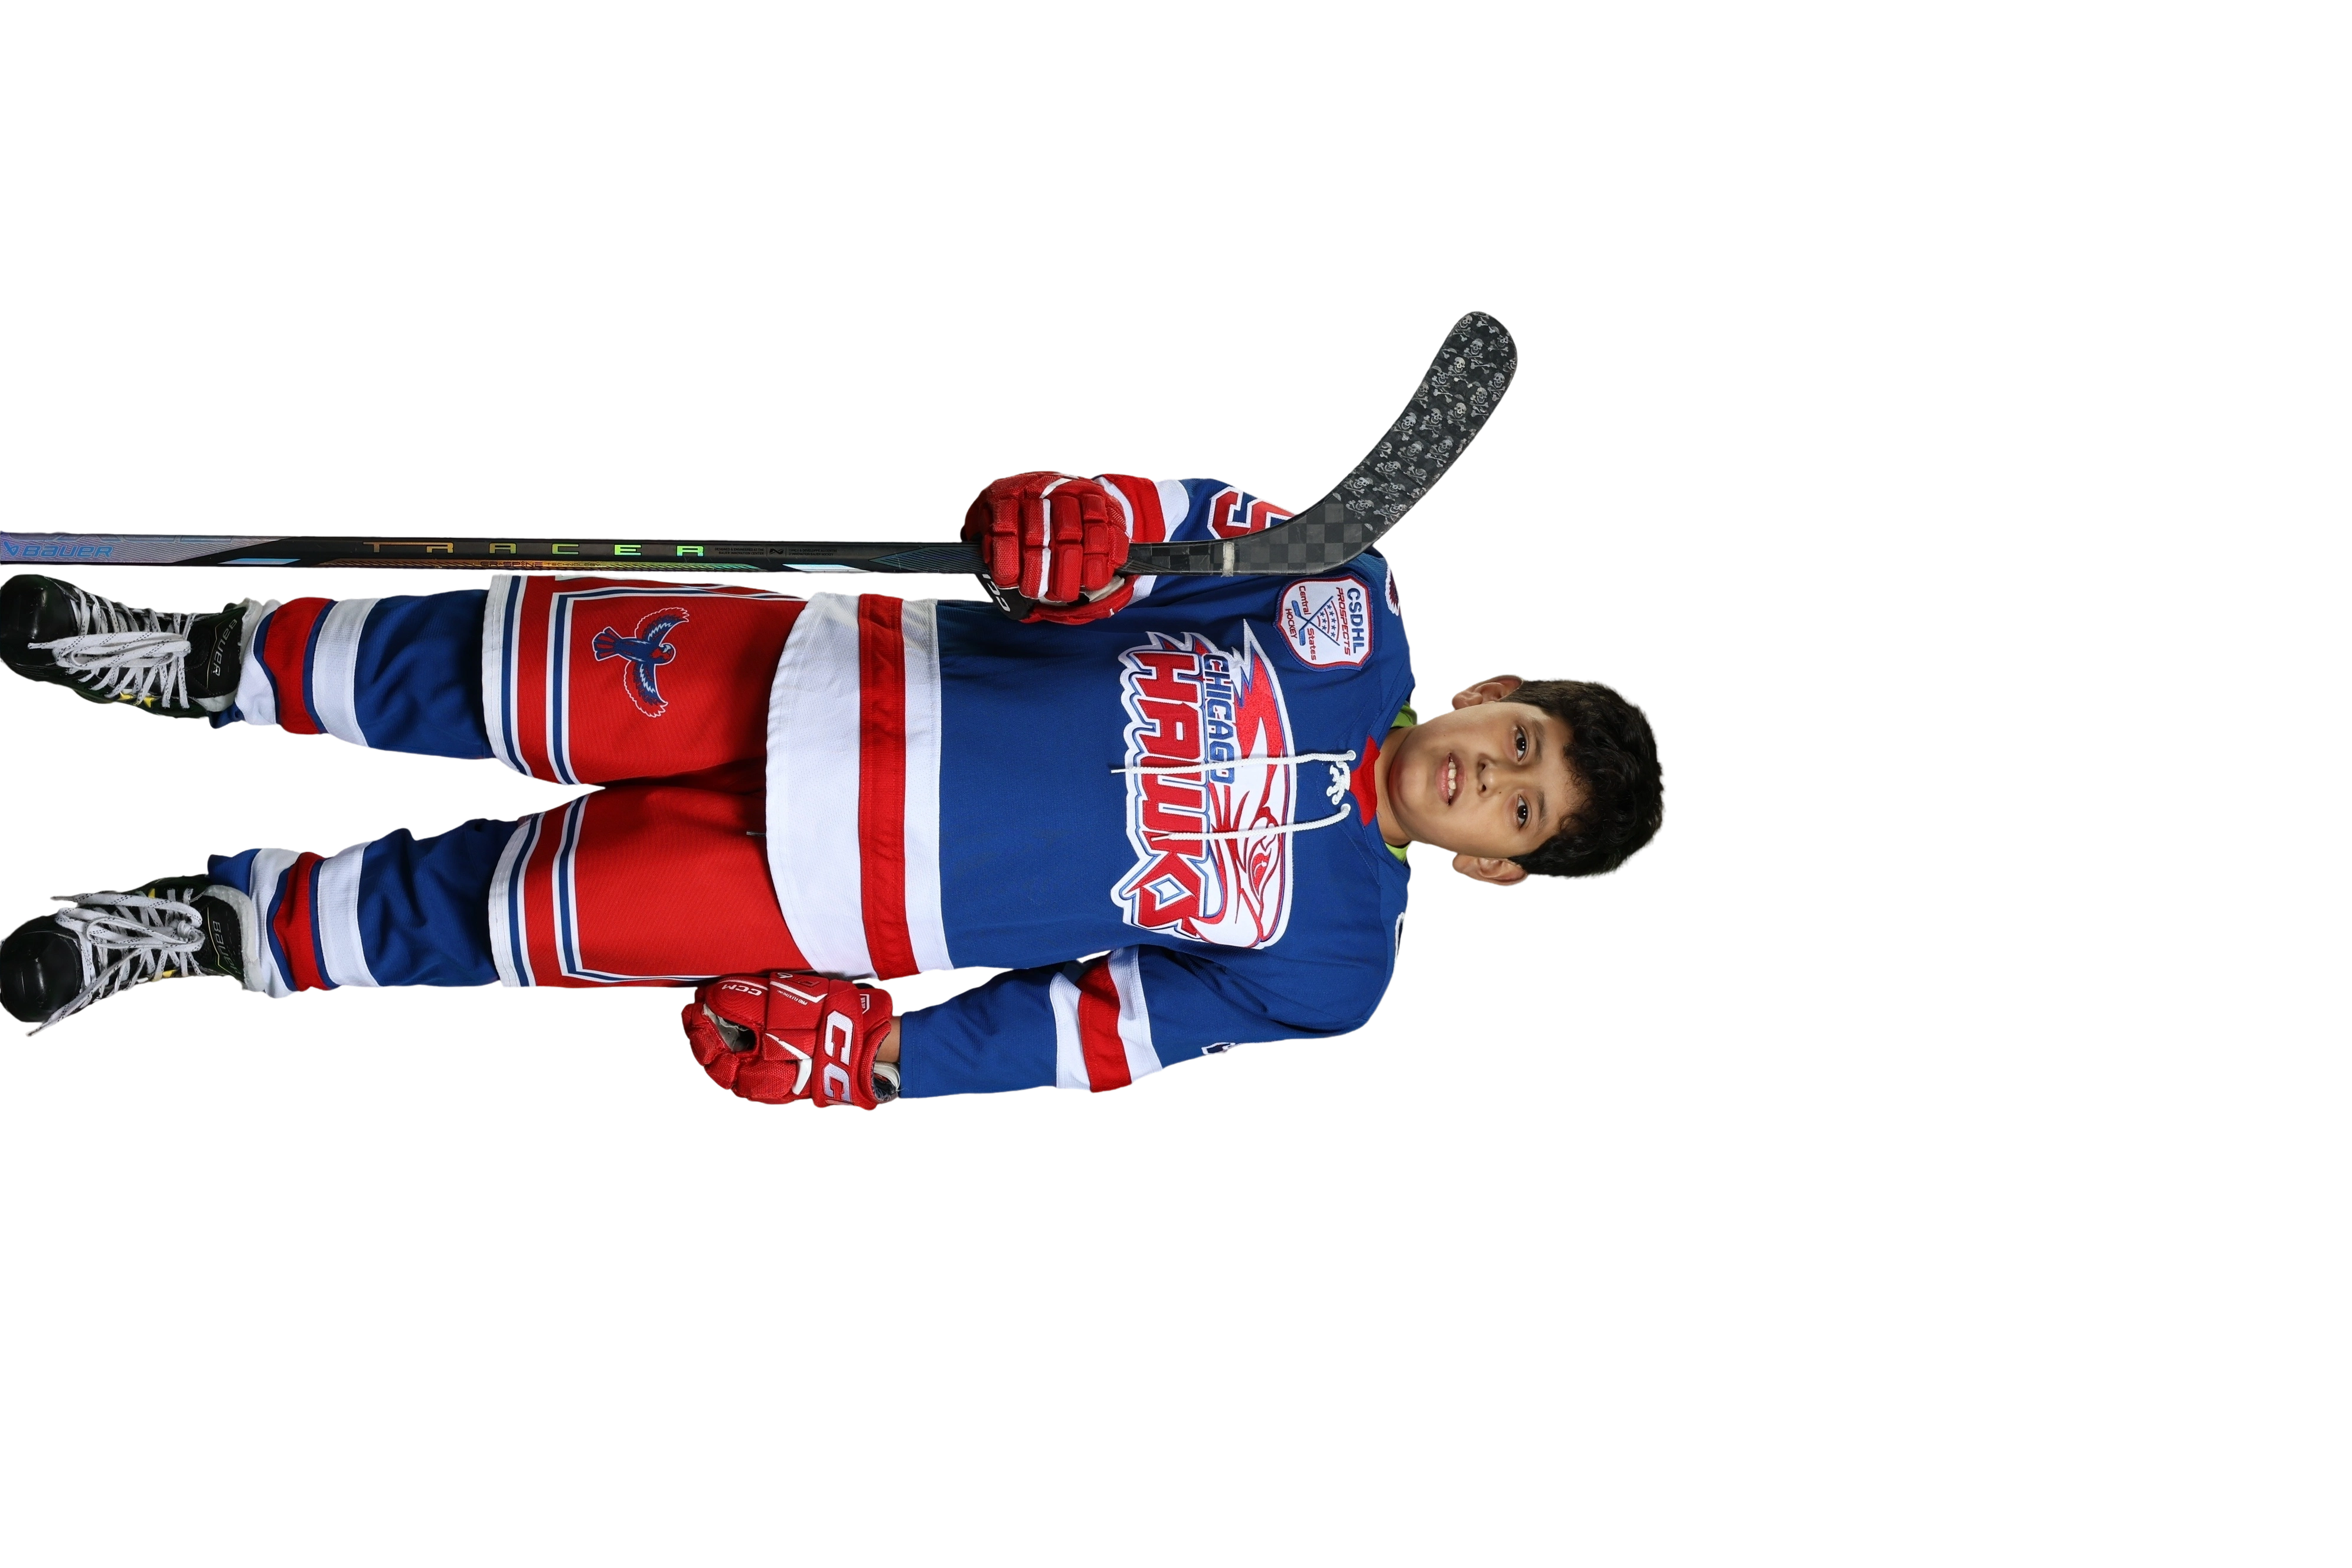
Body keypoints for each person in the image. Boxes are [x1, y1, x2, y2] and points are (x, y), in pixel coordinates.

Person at [0, 472, 1667, 1108]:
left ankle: (192, 932)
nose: (1490, 777)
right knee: (491, 665)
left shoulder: (1335, 964)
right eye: (1521, 740)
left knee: (491, 920)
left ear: (1497, 869)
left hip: (815, 900)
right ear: (1498, 694)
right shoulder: (1342, 608)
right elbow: (1169, 528)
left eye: (1519, 812)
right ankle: (191, 659)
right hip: (823, 674)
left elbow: (1103, 1030)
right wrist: (1088, 522)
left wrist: (890, 1061)